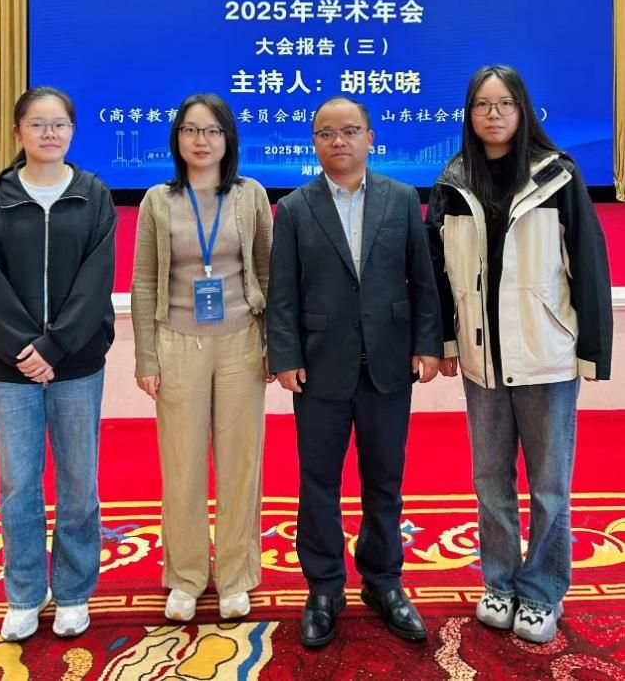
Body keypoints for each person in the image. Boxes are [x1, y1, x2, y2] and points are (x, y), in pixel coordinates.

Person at [426, 64, 613, 644]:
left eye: (504, 103)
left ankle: (541, 592)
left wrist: (593, 351)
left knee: (550, 485)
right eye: (482, 104)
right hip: (483, 361)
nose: (494, 114)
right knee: (490, 481)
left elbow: (589, 266)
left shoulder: (558, 176)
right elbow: (437, 274)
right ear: (469, 114)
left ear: (522, 109)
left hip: (546, 355)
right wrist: (448, 342)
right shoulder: (453, 181)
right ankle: (500, 583)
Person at [266, 96, 442, 648]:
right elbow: (283, 292)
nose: (338, 141)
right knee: (318, 481)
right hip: (319, 367)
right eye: (326, 133)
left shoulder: (401, 198)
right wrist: (284, 355)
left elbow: (422, 279)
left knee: (385, 479)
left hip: (389, 362)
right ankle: (324, 588)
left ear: (370, 138)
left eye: (349, 131)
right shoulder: (295, 208)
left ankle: (384, 580)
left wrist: (428, 343)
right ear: (314, 143)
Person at [0, 87, 116, 642]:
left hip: (76, 363)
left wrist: (55, 347)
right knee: (17, 484)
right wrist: (23, 349)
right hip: (10, 369)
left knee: (79, 483)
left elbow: (96, 280)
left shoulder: (93, 194)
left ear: (72, 131)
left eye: (59, 124)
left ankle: (74, 592)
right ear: (18, 132)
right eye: (37, 124)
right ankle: (26, 594)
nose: (49, 133)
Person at [132, 93, 274, 623]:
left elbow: (269, 270)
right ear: (177, 139)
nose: (201, 140)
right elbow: (144, 281)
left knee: (241, 464)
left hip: (241, 342)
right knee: (182, 465)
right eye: (190, 130)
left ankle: (237, 576)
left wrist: (273, 345)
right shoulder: (157, 201)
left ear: (227, 139)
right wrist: (146, 357)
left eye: (212, 130)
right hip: (177, 344)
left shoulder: (250, 195)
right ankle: (186, 576)